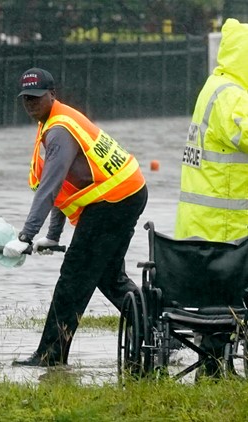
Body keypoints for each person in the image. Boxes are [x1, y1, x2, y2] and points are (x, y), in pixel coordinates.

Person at [5, 68, 148, 367]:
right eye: (25, 98)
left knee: (73, 278)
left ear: (52, 94)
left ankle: (49, 356)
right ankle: (158, 332)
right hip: (126, 194)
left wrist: (25, 237)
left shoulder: (58, 131)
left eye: (36, 97)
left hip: (114, 201)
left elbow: (50, 187)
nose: (30, 103)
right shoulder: (55, 120)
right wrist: (53, 235)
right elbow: (67, 188)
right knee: (108, 276)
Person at [174, 18, 248, 378]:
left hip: (201, 224)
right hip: (226, 226)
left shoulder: (213, 87)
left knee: (217, 303)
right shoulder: (234, 97)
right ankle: (215, 368)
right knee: (229, 299)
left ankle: (214, 366)